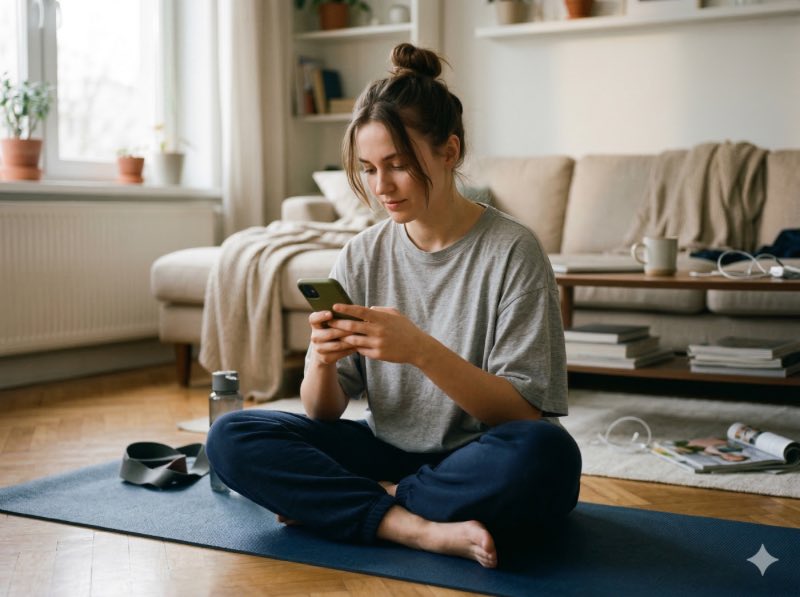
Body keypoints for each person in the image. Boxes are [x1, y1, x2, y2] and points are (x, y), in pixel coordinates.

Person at [206, 43, 581, 569]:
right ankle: (415, 528)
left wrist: (421, 351)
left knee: (548, 456)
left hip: (477, 457)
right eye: (368, 168)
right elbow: (324, 412)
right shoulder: (362, 253)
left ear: (449, 152)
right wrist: (321, 357)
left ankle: (358, 503)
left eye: (398, 166)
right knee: (231, 436)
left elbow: (523, 412)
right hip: (386, 451)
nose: (381, 187)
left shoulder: (513, 250)